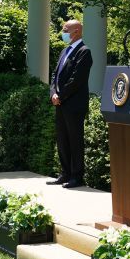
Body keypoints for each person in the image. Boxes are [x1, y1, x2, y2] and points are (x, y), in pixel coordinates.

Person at [49, 19, 93, 189]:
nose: (63, 32)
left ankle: (76, 176)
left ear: (76, 31)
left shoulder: (84, 51)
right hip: (60, 103)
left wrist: (61, 95)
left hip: (74, 104)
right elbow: (55, 75)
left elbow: (77, 80)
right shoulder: (64, 51)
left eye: (66, 29)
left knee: (75, 140)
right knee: (62, 139)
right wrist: (53, 93)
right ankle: (65, 173)